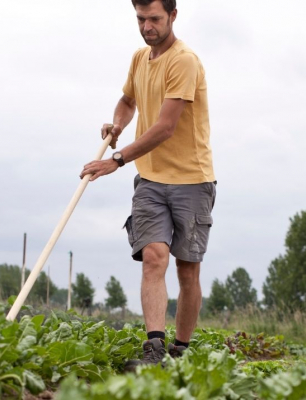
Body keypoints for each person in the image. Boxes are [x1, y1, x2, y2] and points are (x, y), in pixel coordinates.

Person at [80, 0, 216, 370]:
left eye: (154, 18)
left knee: (187, 270)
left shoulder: (183, 60)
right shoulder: (141, 58)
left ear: (173, 15)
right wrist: (117, 124)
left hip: (192, 179)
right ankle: (155, 351)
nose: (147, 26)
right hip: (151, 181)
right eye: (141, 19)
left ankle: (181, 350)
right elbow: (128, 100)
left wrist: (117, 159)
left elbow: (165, 126)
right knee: (154, 258)